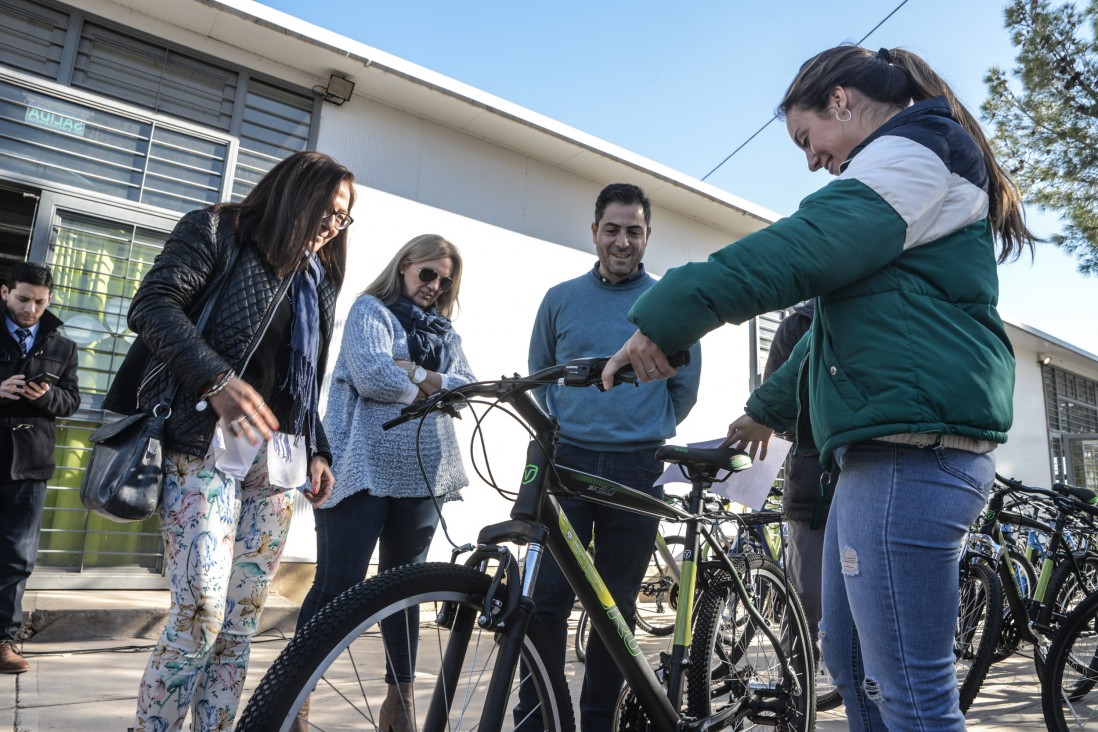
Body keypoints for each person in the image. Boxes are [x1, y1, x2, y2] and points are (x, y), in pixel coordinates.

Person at [604, 45, 1035, 731]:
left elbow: (806, 246)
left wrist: (669, 317)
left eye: (807, 138)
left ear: (841, 100)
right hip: (882, 455)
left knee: (910, 692)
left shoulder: (917, 150)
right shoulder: (909, 164)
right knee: (851, 655)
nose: (810, 159)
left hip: (911, 454)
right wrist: (764, 412)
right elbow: (824, 339)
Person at [103, 150, 355, 731]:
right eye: (327, 209)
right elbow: (152, 305)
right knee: (200, 614)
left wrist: (317, 448)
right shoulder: (217, 229)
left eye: (343, 217)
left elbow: (305, 379)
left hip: (277, 468)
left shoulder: (318, 278)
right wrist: (216, 380)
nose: (332, 224)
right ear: (294, 192)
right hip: (201, 448)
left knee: (241, 623)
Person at [516, 183, 701, 731]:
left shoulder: (670, 301)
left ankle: (599, 721)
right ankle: (540, 717)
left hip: (638, 468)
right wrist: (573, 422)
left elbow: (682, 390)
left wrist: (639, 423)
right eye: (613, 229)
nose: (623, 241)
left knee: (614, 609)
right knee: (546, 601)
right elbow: (541, 373)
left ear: (647, 236)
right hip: (567, 463)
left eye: (634, 231)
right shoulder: (560, 298)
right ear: (594, 232)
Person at [294, 234, 475, 732]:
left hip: (423, 474)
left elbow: (467, 390)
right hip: (360, 468)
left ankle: (400, 704)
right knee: (337, 587)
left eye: (445, 279)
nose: (436, 286)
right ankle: (296, 698)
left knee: (406, 591)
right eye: (428, 274)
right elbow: (374, 377)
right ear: (404, 267)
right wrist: (433, 387)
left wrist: (417, 373)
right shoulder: (370, 311)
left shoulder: (445, 333)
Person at [729, 300, 838, 657]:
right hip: (812, 483)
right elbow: (776, 402)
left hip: (871, 474)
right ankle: (794, 691)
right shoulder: (797, 326)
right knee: (806, 598)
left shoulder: (875, 309)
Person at [0, 262, 80, 675]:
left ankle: (3, 641)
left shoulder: (63, 346)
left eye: (40, 302)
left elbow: (72, 401)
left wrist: (46, 396)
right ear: (4, 293)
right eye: (23, 299)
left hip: (30, 463)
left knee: (17, 557)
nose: (31, 309)